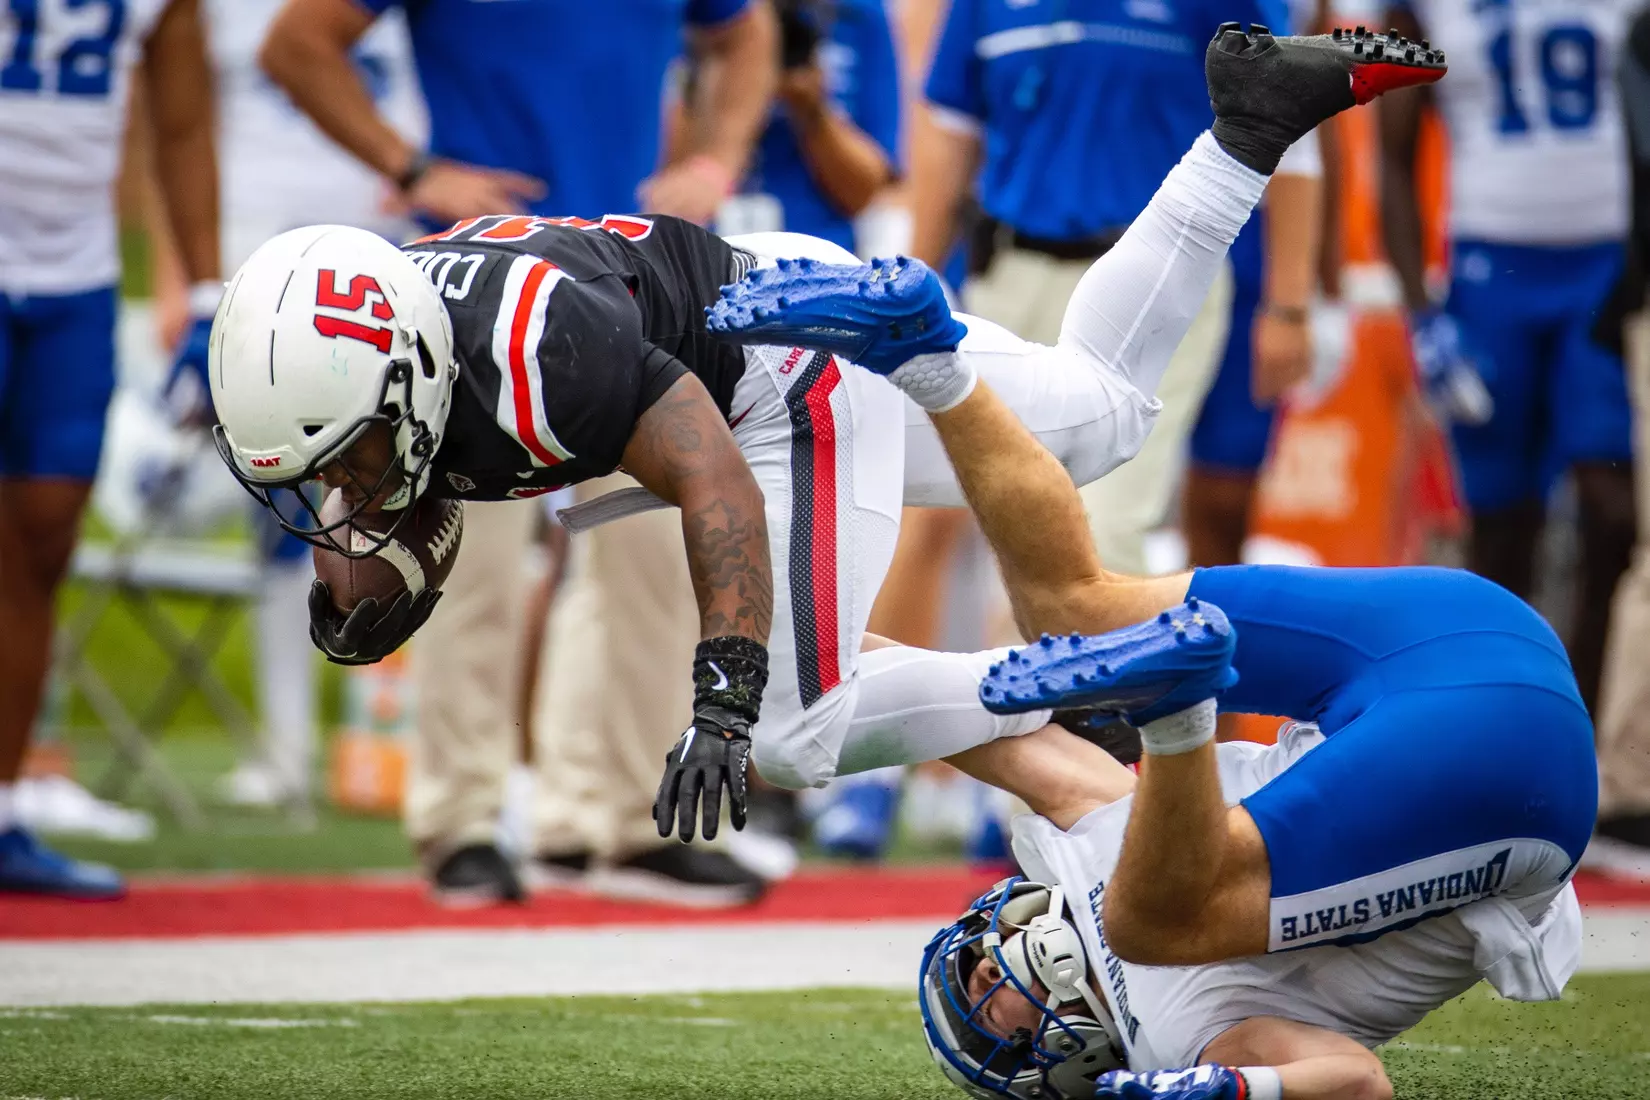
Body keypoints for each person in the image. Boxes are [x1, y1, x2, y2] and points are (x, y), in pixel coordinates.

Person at [206, 27, 1440, 846]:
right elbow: (383, 506)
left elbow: (716, 489)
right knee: (1103, 413)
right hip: (769, 314)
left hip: (782, 368)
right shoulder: (384, 360)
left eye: (351, 459)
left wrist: (724, 699)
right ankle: (1246, 132)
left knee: (791, 726)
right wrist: (355, 552)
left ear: (409, 375)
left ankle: (1065, 680)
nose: (348, 492)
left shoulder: (537, 352)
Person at [841, 171, 1590, 1100]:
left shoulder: (1089, 877)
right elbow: (1353, 1082)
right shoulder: (1189, 1030)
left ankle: (935, 366)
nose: (991, 973)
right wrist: (1232, 1088)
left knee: (1071, 635)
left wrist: (768, 661)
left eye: (974, 970)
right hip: (1491, 701)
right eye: (988, 1007)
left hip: (1467, 693)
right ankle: (946, 381)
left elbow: (944, 713)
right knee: (1128, 831)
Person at [257, 0, 779, 902]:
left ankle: (614, 819)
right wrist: (411, 164)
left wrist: (714, 161)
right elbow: (296, 43)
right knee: (465, 564)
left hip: (619, 281)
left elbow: (745, 31)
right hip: (478, 288)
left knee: (653, 555)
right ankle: (460, 819)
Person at [531, 0, 901, 902]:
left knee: (700, 551)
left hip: (792, 312)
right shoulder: (696, 39)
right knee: (629, 548)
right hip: (676, 297)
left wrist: (803, 109)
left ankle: (630, 800)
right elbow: (648, 155)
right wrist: (701, 144)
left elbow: (873, 181)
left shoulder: (853, 22)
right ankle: (582, 806)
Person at [149, 0, 423, 811]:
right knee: (286, 501)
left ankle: (391, 739)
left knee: (411, 494)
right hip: (255, 273)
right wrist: (183, 284)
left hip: (386, 270)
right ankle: (287, 741)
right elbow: (180, 129)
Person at [0, 0, 220, 898]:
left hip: (76, 279)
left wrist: (206, 290)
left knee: (45, 542)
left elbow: (181, 121)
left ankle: (7, 806)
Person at [1379, 0, 1638, 719]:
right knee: (1500, 522)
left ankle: (1580, 714)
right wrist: (1420, 316)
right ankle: (1503, 719)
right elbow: (1392, 159)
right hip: (1494, 271)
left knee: (1613, 503)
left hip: (1607, 268)